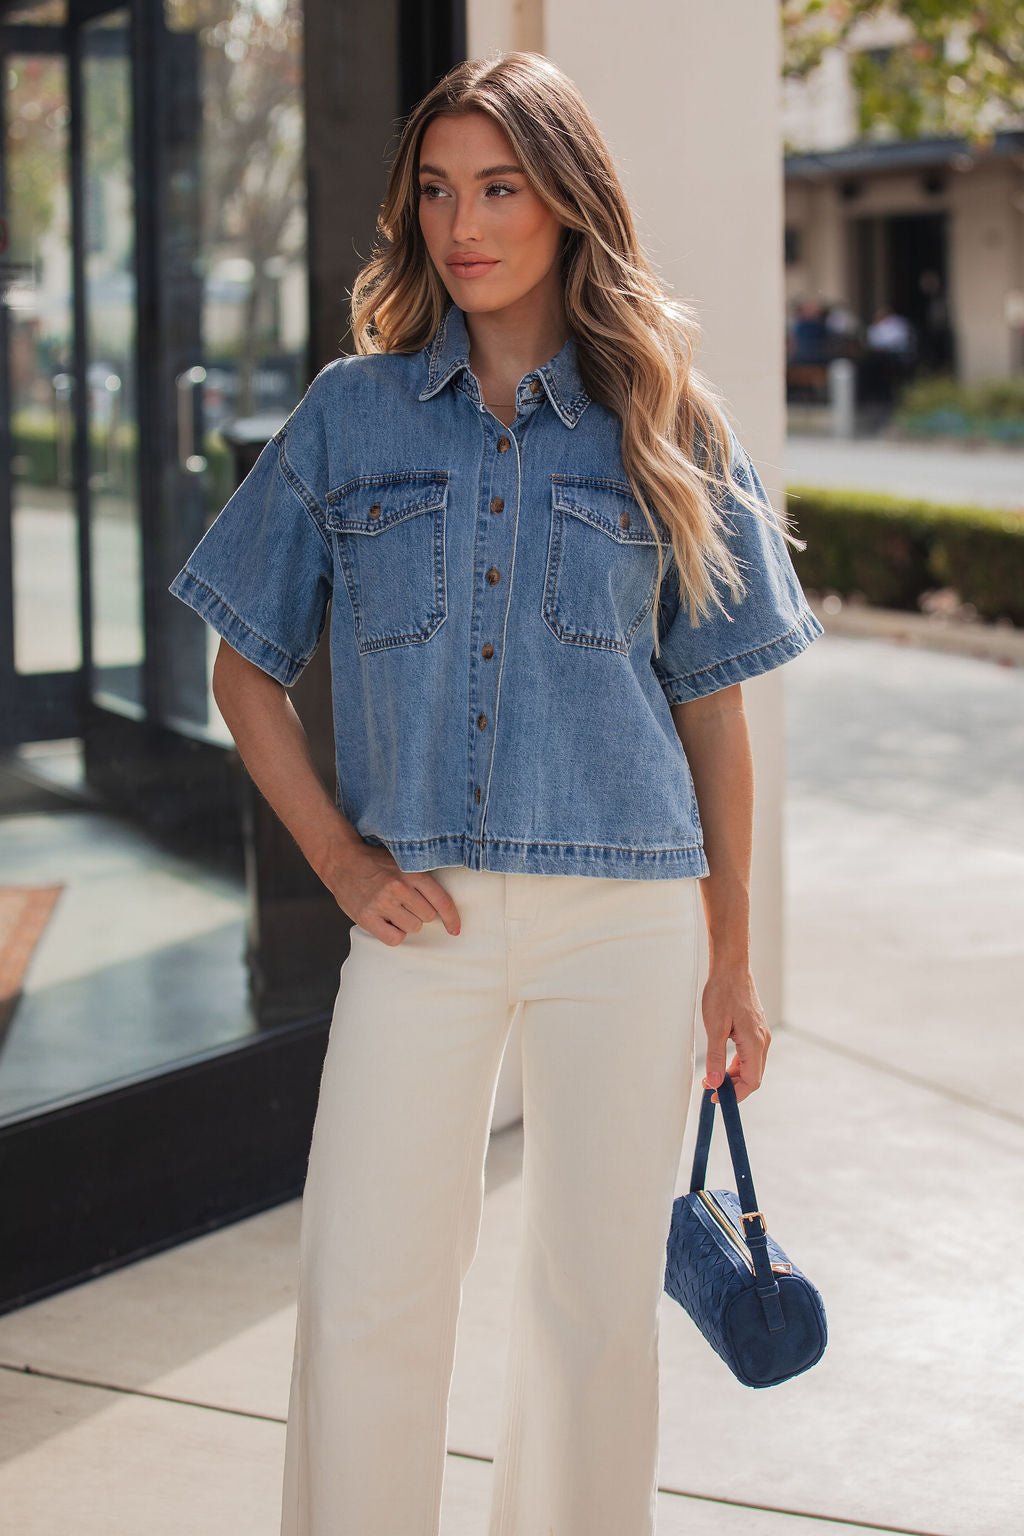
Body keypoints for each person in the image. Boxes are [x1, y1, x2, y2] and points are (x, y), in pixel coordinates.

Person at [169, 50, 823, 1536]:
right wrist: (341, 869)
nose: (465, 224)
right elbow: (241, 671)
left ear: (569, 204)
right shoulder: (354, 416)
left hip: (630, 915)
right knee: (365, 1286)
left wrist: (733, 959)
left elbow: (713, 713)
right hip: (423, 921)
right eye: (441, 192)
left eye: (502, 188)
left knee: (596, 1309)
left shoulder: (665, 418)